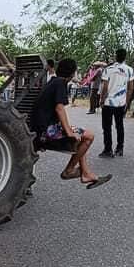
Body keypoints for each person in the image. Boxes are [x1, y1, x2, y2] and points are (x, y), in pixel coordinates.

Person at [31, 57, 111, 188]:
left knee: (82, 136)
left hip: (41, 127)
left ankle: (86, 174)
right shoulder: (61, 83)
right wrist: (68, 131)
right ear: (72, 73)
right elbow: (59, 108)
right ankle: (69, 171)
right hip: (46, 132)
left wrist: (69, 129)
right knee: (89, 136)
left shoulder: (53, 81)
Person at [98, 48, 134, 158]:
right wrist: (127, 102)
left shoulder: (108, 69)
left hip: (108, 103)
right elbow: (130, 88)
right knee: (120, 126)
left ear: (115, 56)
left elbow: (105, 87)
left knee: (107, 127)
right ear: (125, 57)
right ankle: (120, 148)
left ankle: (108, 150)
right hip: (121, 103)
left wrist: (102, 100)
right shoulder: (129, 70)